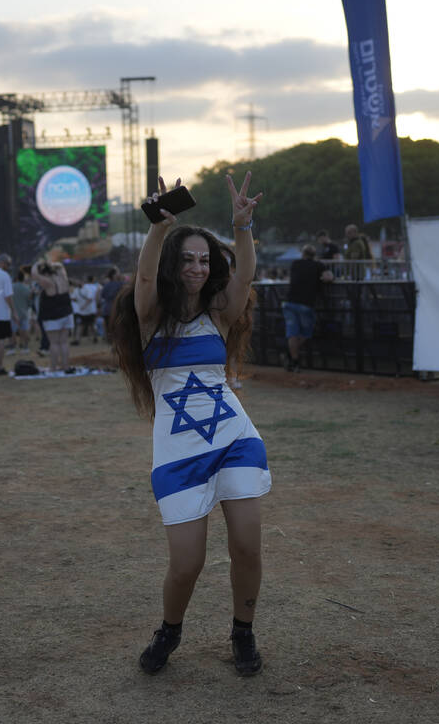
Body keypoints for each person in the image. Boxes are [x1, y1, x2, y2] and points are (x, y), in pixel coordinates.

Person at [111, 173, 270, 677]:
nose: (199, 268)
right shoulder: (150, 316)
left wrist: (241, 228)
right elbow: (141, 281)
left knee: (247, 545)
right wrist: (159, 228)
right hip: (178, 453)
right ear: (172, 264)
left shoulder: (219, 315)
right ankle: (169, 630)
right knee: (187, 564)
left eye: (205, 259)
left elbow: (242, 279)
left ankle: (242, 633)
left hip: (235, 440)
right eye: (189, 259)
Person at [284, 244, 335, 372]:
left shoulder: (295, 263)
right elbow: (329, 277)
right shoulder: (318, 265)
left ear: (303, 254)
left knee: (292, 334)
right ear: (314, 255)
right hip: (306, 304)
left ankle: (293, 359)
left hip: (290, 302)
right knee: (306, 334)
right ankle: (292, 356)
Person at [31, 260, 73, 374]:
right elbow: (61, 266)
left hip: (52, 316)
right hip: (67, 313)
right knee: (64, 342)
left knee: (54, 343)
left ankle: (53, 368)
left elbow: (34, 274)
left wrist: (37, 263)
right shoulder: (63, 277)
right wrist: (51, 263)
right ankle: (66, 366)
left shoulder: (47, 282)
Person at [11, 267, 34, 354]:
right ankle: (25, 347)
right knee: (24, 330)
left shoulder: (11, 287)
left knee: (13, 331)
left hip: (13, 313)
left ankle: (13, 347)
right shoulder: (26, 288)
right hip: (24, 312)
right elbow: (30, 302)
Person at [99, 268, 124, 342]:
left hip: (106, 309)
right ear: (114, 275)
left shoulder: (106, 285)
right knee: (118, 327)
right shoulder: (120, 284)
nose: (119, 274)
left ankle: (109, 340)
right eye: (117, 273)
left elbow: (102, 295)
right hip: (117, 308)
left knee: (109, 327)